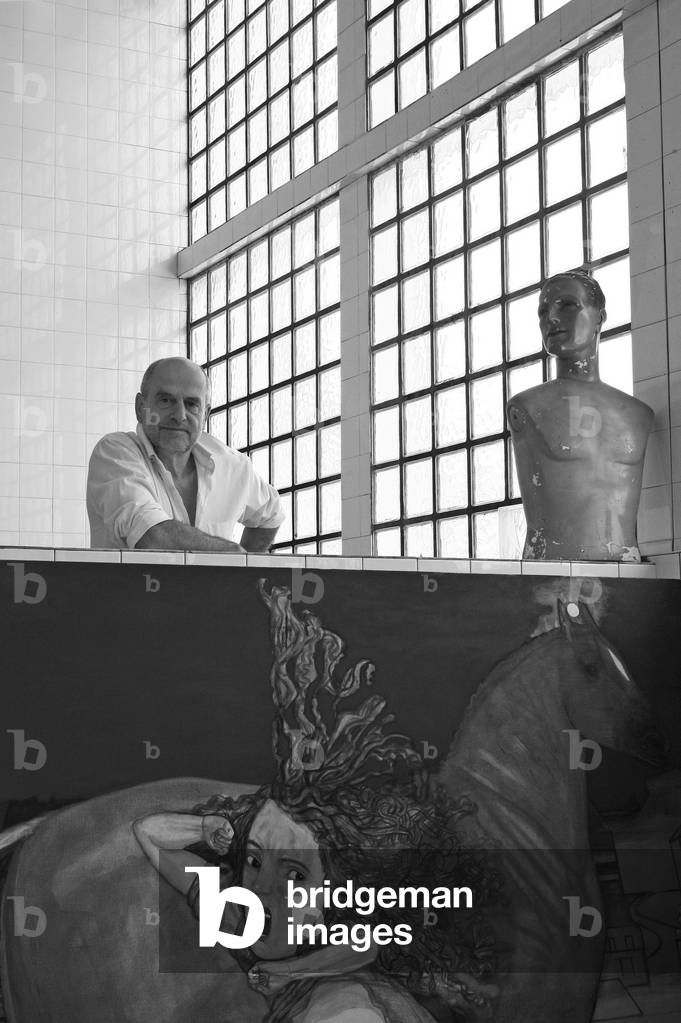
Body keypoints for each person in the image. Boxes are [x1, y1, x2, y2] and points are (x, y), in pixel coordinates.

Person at [132, 582, 500, 1023]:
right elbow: (148, 833)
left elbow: (366, 944)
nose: (263, 889)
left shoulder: (346, 1002)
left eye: (294, 874)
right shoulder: (236, 908)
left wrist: (288, 973)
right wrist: (206, 827)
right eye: (254, 860)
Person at [507, 270, 654, 561]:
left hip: (629, 572)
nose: (551, 318)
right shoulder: (529, 406)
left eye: (567, 305)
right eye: (543, 311)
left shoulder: (639, 414)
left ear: (600, 317)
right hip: (552, 571)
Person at [86, 357, 284, 552]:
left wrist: (244, 569)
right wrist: (233, 555)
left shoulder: (231, 465)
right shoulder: (114, 453)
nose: (179, 416)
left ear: (205, 415)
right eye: (166, 401)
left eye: (191, 404)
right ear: (140, 407)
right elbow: (153, 537)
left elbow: (271, 514)